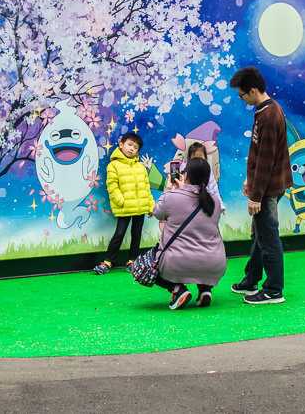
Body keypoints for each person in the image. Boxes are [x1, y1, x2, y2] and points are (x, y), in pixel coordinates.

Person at [228, 66, 294, 304]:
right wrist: (250, 179)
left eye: (242, 95)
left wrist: (256, 196)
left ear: (253, 90)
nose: (242, 99)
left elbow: (266, 161)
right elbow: (259, 154)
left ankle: (274, 289)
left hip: (268, 189)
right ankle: (251, 279)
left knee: (268, 237)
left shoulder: (268, 116)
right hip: (265, 184)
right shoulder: (266, 109)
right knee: (259, 234)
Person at [151, 157, 226, 309]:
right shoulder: (216, 201)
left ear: (185, 175)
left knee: (148, 265)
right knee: (201, 256)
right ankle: (205, 289)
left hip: (177, 263)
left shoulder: (172, 197)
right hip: (213, 263)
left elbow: (157, 212)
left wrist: (170, 189)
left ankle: (178, 290)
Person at [94, 132, 153, 274]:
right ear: (121, 145)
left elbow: (146, 187)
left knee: (136, 235)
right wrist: (122, 201)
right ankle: (108, 261)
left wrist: (151, 206)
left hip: (140, 207)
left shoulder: (140, 167)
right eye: (129, 145)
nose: (132, 149)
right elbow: (112, 187)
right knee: (119, 233)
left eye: (136, 147)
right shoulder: (113, 165)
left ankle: (132, 261)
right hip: (125, 207)